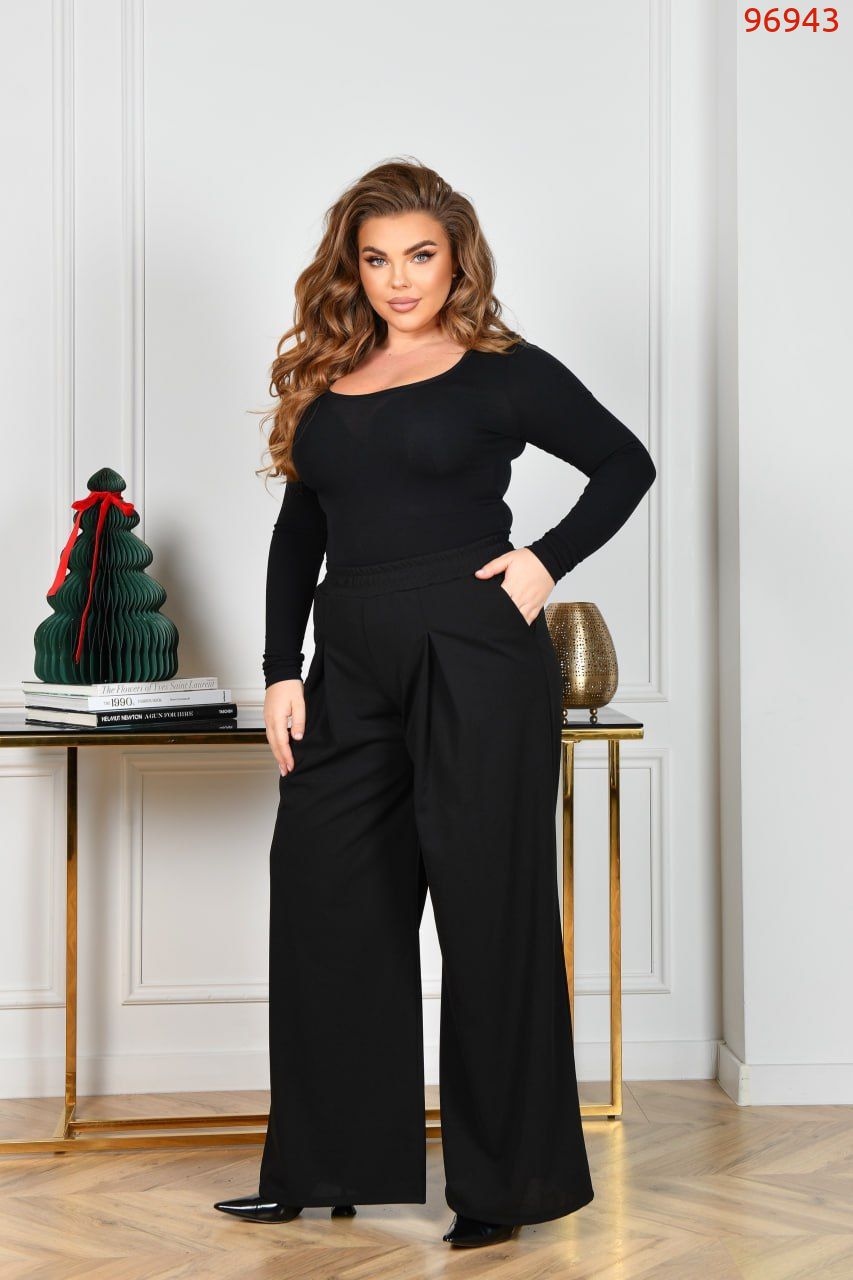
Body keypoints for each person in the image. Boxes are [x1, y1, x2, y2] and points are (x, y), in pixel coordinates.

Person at [214, 158, 656, 1249]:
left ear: (457, 257)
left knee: (488, 909)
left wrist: (543, 560)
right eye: (376, 260)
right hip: (348, 662)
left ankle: (505, 1186)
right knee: (324, 898)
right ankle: (323, 1163)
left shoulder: (503, 370)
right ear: (351, 268)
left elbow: (623, 462)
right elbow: (301, 528)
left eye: (419, 255)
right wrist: (280, 667)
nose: (399, 279)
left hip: (474, 652)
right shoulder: (329, 375)